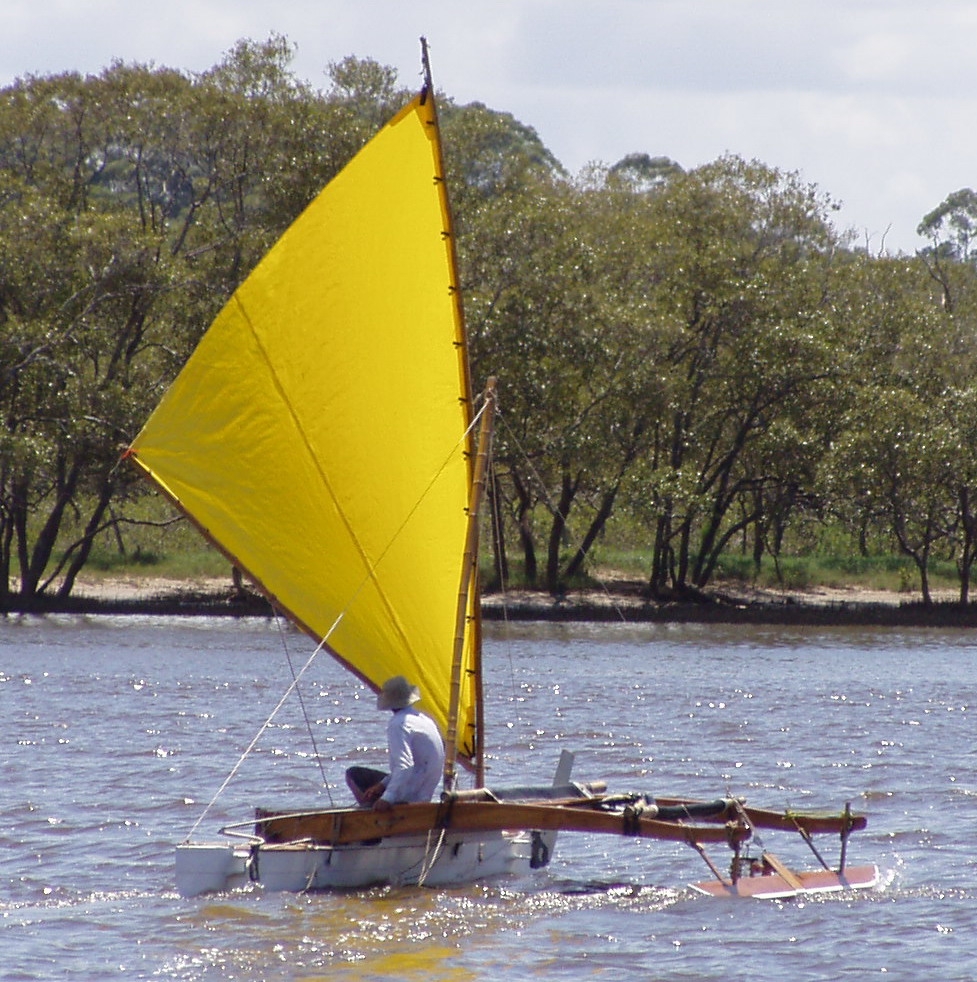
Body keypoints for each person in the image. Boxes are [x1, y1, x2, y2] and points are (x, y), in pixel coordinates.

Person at [345, 675, 445, 811]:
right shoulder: (425, 720)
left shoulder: (398, 723)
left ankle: (370, 815)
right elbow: (413, 765)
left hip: (409, 795)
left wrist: (387, 798)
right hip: (424, 794)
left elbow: (405, 766)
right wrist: (382, 785)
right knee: (379, 784)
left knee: (353, 774)